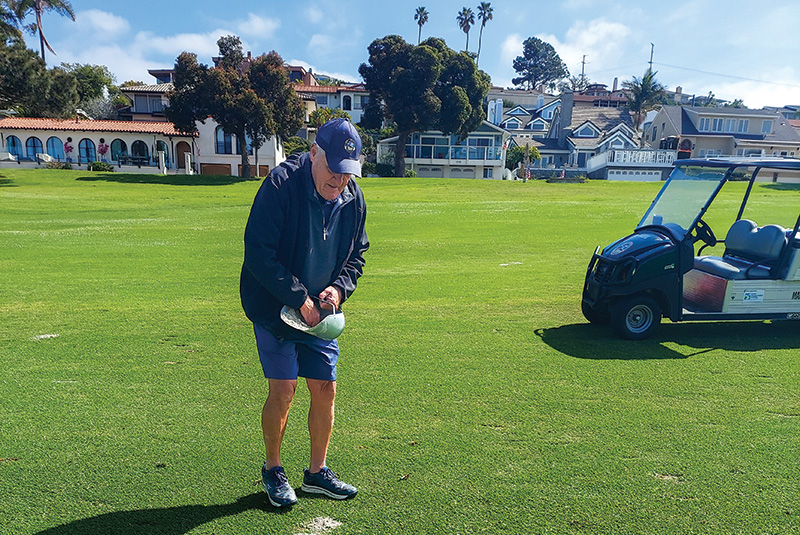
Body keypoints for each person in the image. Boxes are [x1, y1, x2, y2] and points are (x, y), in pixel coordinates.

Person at [240, 118, 369, 507]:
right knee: (284, 388)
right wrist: (299, 298)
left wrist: (338, 289)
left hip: (319, 312)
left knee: (325, 388)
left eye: (347, 173)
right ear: (314, 152)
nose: (339, 181)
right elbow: (259, 253)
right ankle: (274, 469)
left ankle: (316, 473)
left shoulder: (353, 197)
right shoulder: (281, 185)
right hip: (274, 305)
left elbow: (357, 255)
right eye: (333, 169)